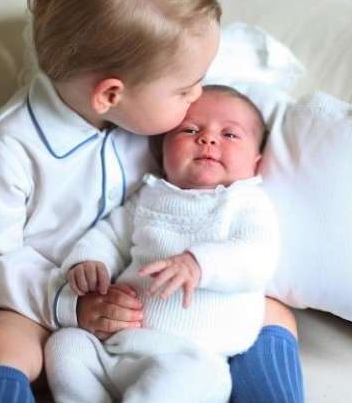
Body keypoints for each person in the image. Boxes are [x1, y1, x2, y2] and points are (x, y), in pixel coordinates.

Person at [0, 0, 303, 403]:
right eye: (185, 90)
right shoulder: (12, 144)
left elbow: (233, 65)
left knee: (272, 312)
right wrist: (72, 303)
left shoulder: (154, 104)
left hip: (157, 297)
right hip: (42, 301)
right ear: (111, 95)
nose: (197, 98)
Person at [45, 85, 278, 403]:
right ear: (162, 149)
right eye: (190, 129)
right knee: (66, 344)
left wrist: (199, 263)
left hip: (193, 357)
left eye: (230, 134)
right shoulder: (150, 196)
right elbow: (110, 235)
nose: (207, 139)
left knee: (192, 379)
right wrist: (90, 262)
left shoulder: (247, 202)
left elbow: (258, 256)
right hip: (118, 346)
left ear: (256, 161)